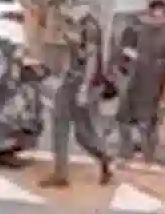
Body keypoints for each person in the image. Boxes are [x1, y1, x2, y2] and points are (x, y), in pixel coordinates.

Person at [40, 10, 113, 188]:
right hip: (72, 83)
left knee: (79, 132)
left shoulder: (89, 27)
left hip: (81, 85)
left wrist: (83, 89)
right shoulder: (77, 25)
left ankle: (101, 156)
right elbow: (73, 53)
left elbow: (91, 60)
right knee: (63, 124)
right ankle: (63, 172)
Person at [117, 0, 165, 165]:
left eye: (159, 16)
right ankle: (126, 152)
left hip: (153, 87)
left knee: (146, 125)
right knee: (123, 118)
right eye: (153, 15)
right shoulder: (143, 32)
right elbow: (132, 52)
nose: (155, 19)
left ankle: (147, 157)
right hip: (135, 82)